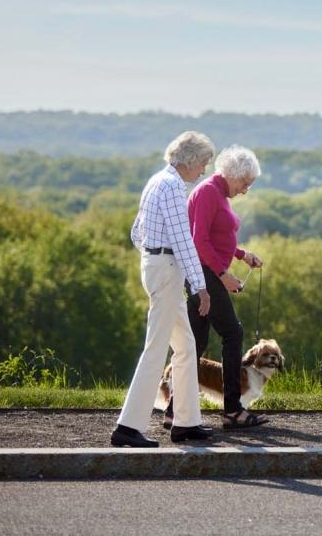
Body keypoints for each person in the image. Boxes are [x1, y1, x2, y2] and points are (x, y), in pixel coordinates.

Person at [110, 132, 216, 447]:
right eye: (204, 164)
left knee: (185, 346)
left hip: (157, 266)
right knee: (156, 348)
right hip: (167, 271)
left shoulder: (157, 181)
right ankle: (128, 427)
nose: (204, 171)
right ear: (192, 160)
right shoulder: (172, 187)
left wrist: (153, 259)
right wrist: (200, 286)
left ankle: (186, 423)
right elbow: (183, 240)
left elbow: (136, 231)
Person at [170, 143, 268, 429]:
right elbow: (200, 241)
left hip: (207, 273)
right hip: (203, 275)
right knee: (233, 333)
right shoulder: (209, 193)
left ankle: (174, 409)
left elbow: (219, 236)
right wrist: (224, 274)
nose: (246, 189)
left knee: (195, 343)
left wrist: (242, 255)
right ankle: (232, 409)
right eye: (244, 183)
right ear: (231, 174)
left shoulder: (219, 194)